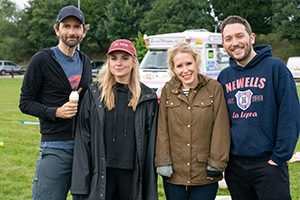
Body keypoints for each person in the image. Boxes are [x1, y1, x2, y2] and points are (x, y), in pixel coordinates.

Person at [218, 15, 300, 200]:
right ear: (224, 44)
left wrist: (278, 158)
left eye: (240, 36)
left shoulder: (276, 68)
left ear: (252, 38)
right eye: (228, 39)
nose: (235, 43)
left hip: (269, 164)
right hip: (236, 167)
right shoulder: (224, 77)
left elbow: (290, 115)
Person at [19, 5, 92, 200]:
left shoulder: (86, 61)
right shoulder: (42, 60)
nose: (71, 32)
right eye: (66, 26)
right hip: (55, 147)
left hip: (84, 149)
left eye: (77, 27)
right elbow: (25, 103)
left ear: (84, 31)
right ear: (57, 29)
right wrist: (55, 112)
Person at [71, 39, 159, 200]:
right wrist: (81, 184)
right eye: (114, 58)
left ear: (133, 62)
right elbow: (83, 139)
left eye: (125, 58)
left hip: (132, 175)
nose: (118, 63)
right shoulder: (94, 94)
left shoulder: (147, 97)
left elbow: (151, 145)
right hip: (102, 173)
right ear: (108, 62)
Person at [155, 41, 231, 200]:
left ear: (197, 63)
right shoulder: (168, 90)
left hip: (204, 173)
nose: (185, 70)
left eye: (189, 63)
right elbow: (162, 128)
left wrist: (216, 164)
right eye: (179, 66)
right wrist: (163, 161)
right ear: (173, 69)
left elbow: (221, 128)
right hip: (175, 173)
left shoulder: (214, 88)